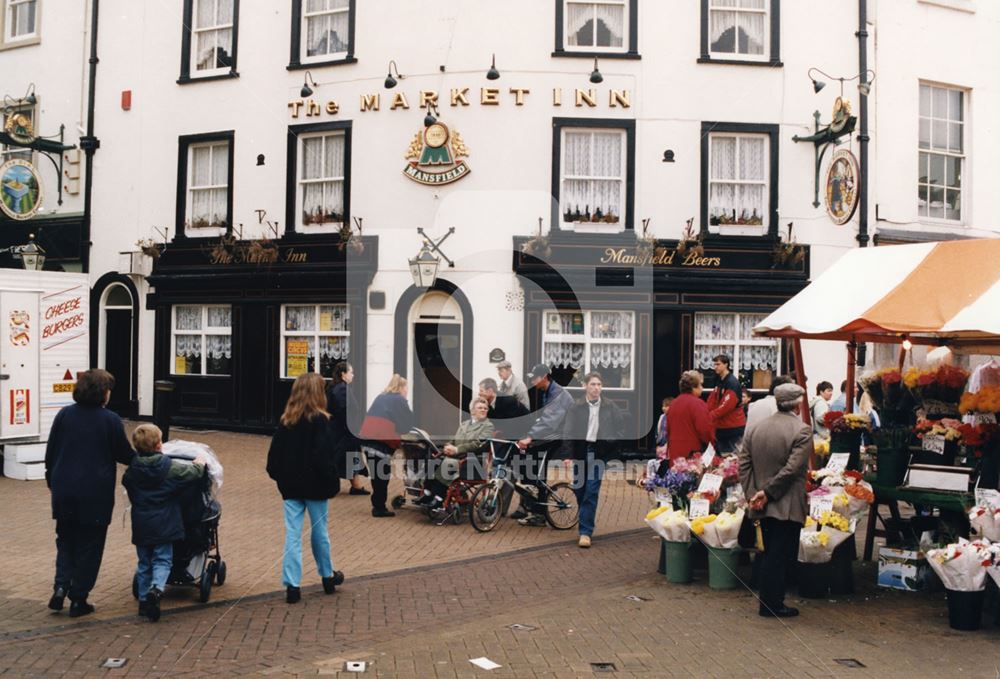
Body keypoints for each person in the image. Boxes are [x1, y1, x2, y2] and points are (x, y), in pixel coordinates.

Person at [44, 369, 135, 618]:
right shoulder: (110, 420)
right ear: (102, 393)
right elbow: (124, 455)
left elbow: (51, 452)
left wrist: (51, 479)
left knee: (66, 540)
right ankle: (79, 598)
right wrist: (151, 461)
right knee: (90, 546)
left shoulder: (64, 415)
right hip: (94, 493)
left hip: (64, 489)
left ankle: (61, 586)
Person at [267, 373, 345, 604]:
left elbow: (273, 460)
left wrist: (282, 478)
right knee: (320, 533)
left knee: (292, 535)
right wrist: (332, 481)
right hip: (316, 487)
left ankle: (292, 585)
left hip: (291, 486)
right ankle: (327, 576)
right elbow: (324, 457)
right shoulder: (321, 420)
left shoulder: (286, 420)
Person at [739, 383, 812, 618]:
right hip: (785, 504)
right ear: (797, 405)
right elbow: (793, 469)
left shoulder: (756, 429)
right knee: (779, 556)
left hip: (761, 503)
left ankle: (770, 601)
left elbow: (744, 465)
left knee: (768, 552)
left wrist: (754, 494)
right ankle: (772, 604)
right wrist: (767, 493)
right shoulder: (801, 431)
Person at [123, 424, 207, 622]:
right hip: (165, 522)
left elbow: (127, 484)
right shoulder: (170, 467)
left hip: (142, 523)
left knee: (144, 563)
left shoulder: (132, 470)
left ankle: (144, 601)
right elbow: (192, 474)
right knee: (162, 559)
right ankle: (157, 589)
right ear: (159, 445)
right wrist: (200, 463)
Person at [563, 372, 623, 548]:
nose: (596, 388)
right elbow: (568, 431)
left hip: (599, 453)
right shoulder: (576, 406)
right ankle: (585, 518)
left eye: (599, 384)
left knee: (591, 490)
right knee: (580, 490)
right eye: (593, 384)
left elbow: (620, 430)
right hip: (581, 451)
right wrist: (567, 455)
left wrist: (608, 444)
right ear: (585, 386)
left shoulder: (610, 406)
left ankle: (585, 532)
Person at [515, 363, 574, 526]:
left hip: (557, 438)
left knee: (536, 469)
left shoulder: (557, 394)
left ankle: (538, 513)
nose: (533, 381)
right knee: (529, 464)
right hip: (550, 435)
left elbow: (550, 422)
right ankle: (531, 504)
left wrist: (530, 437)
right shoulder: (547, 391)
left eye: (534, 378)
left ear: (543, 378)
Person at [422, 397, 496, 508]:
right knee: (433, 461)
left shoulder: (488, 426)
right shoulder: (465, 424)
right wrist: (448, 446)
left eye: (485, 408)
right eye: (480, 408)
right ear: (472, 411)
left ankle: (439, 498)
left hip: (474, 461)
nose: (483, 410)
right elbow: (455, 439)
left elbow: (477, 444)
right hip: (457, 457)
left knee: (448, 464)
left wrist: (456, 449)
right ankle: (427, 494)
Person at [359, 374, 415, 517]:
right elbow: (407, 422)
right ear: (401, 387)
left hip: (367, 439)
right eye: (406, 387)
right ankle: (379, 507)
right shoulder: (399, 400)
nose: (407, 390)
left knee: (376, 474)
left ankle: (377, 504)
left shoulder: (381, 397)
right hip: (381, 441)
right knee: (382, 475)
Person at [327, 361, 368, 496]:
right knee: (340, 457)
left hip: (342, 430)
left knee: (350, 456)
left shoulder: (338, 387)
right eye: (351, 372)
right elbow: (344, 410)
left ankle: (356, 486)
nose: (353, 375)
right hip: (343, 431)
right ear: (343, 374)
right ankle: (329, 484)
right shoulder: (341, 389)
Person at [666, 370, 715, 461]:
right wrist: (713, 443)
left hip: (674, 450)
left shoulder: (674, 404)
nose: (702, 388)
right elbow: (705, 429)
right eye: (700, 385)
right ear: (693, 387)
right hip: (692, 452)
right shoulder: (698, 404)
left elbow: (668, 428)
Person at [706, 354, 747, 453]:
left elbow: (726, 406)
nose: (715, 367)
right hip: (724, 426)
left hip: (732, 427)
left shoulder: (731, 382)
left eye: (718, 364)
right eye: (714, 364)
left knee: (731, 457)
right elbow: (713, 399)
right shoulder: (720, 380)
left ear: (726, 365)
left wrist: (709, 416)